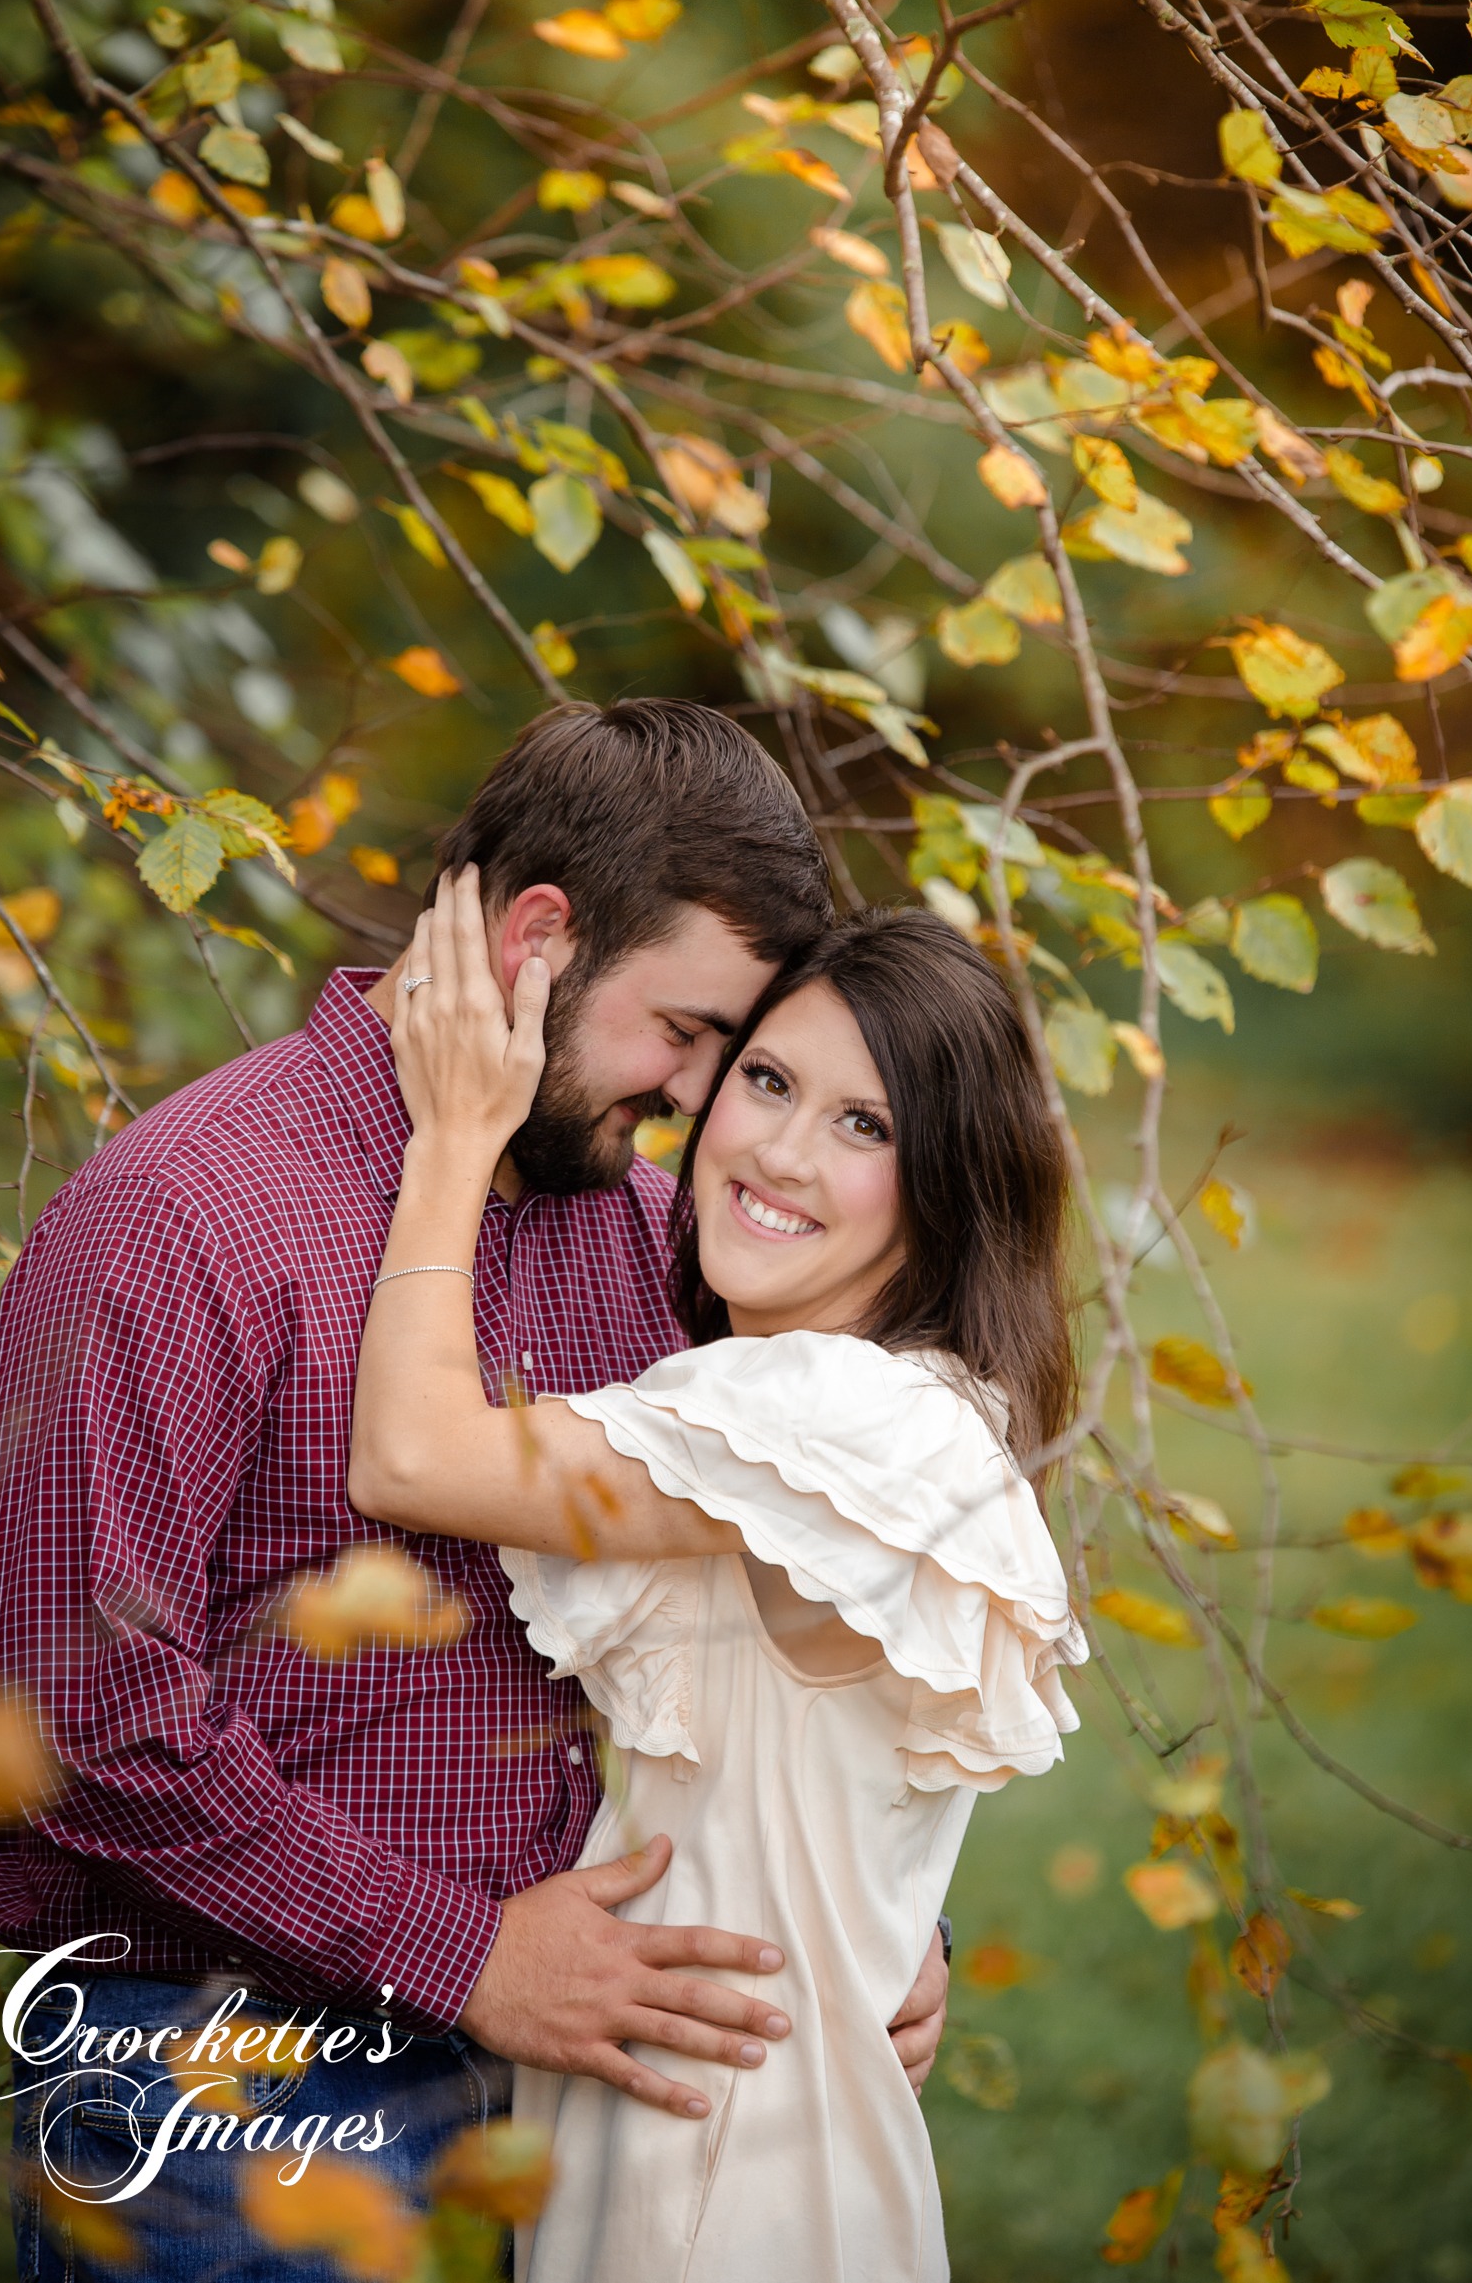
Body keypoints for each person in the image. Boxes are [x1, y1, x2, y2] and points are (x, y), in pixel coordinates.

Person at [0, 699, 951, 2276]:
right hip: (229, 2083)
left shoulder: (636, 1230)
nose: (691, 1097)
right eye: (683, 1033)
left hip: (566, 2090)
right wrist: (466, 1952)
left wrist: (883, 1928)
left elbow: (773, 1608)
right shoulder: (180, 1216)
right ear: (535, 939)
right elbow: (75, 1717)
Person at [349, 871, 1088, 2283]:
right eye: (764, 1079)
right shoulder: (893, 1404)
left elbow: (407, 1454)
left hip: (724, 2194)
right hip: (713, 2142)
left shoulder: (834, 1415)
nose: (783, 1152)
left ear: (943, 1185)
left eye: (862, 1125)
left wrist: (454, 1136)